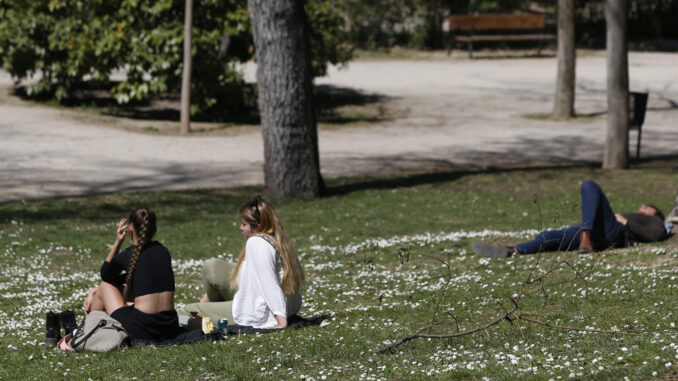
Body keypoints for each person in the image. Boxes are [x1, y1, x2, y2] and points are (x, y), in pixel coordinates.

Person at [177, 195, 304, 329]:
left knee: (185, 312)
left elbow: (269, 282)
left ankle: (202, 309)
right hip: (273, 302)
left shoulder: (257, 242)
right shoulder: (275, 238)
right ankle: (211, 304)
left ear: (257, 226)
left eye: (244, 224)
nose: (240, 228)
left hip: (258, 312)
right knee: (212, 267)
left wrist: (281, 319)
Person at [473, 180, 668, 258]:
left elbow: (657, 234)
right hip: (598, 233)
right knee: (549, 236)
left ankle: (585, 236)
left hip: (615, 233)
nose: (642, 207)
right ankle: (513, 250)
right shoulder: (638, 215)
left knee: (590, 186)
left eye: (647, 207)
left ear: (654, 212)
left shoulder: (655, 221)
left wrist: (625, 222)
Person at [83, 208, 179, 341]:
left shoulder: (130, 254)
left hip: (143, 328)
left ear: (130, 229)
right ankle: (91, 327)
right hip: (169, 326)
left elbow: (106, 275)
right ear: (154, 229)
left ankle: (87, 331)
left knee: (104, 286)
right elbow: (141, 279)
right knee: (120, 294)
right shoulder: (163, 251)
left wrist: (118, 242)